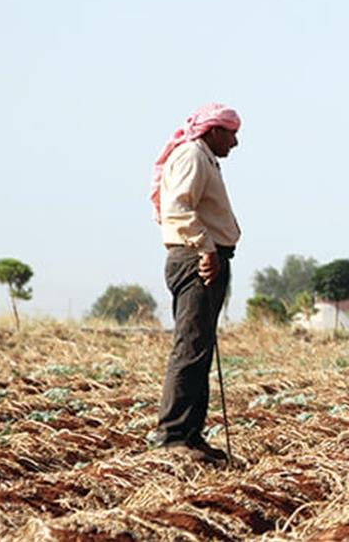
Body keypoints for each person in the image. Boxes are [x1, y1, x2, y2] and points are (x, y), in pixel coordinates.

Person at [148, 103, 243, 465]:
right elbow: (178, 208)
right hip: (196, 259)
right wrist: (206, 249)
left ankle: (191, 434)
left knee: (200, 348)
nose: (234, 142)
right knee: (190, 347)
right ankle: (173, 436)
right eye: (231, 133)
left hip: (207, 257)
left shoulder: (204, 156)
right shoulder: (192, 156)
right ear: (214, 131)